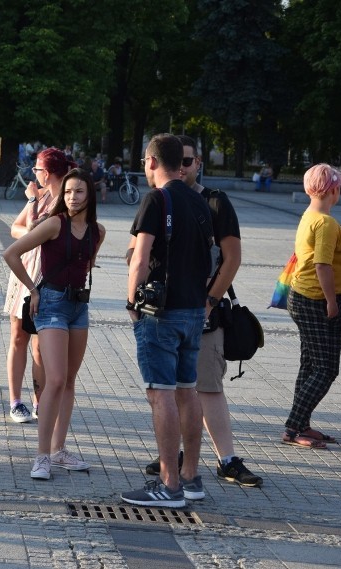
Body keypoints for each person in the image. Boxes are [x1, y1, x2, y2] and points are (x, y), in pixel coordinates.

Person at [139, 136, 263, 487]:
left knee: (203, 386)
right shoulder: (164, 201)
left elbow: (232, 258)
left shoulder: (213, 202)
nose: (183, 167)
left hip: (202, 310)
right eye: (179, 161)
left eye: (189, 162)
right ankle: (179, 457)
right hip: (171, 309)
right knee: (179, 387)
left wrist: (209, 301)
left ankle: (227, 459)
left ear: (198, 164)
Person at [122, 133, 213, 508]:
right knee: (187, 392)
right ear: (183, 163)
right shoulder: (199, 201)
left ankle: (169, 484)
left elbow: (140, 259)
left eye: (145, 163)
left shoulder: (156, 200)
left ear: (152, 162)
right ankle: (190, 477)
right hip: (194, 311)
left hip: (160, 314)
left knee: (160, 394)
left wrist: (131, 302)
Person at [3, 168, 105, 479]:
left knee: (70, 381)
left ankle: (59, 451)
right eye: (69, 191)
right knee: (56, 379)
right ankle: (42, 456)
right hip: (51, 304)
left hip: (79, 308)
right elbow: (11, 253)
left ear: (90, 197)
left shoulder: (97, 231)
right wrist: (33, 290)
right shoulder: (53, 224)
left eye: (80, 192)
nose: (73, 197)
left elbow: (87, 264)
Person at [282, 164, 341, 448]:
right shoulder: (324, 222)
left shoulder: (310, 215)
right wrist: (332, 302)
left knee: (311, 365)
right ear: (334, 189)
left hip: (308, 299)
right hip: (317, 302)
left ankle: (302, 424)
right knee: (325, 369)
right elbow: (322, 264)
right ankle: (293, 428)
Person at [3, 148, 69, 423]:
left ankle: (40, 401)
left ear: (49, 172)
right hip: (25, 272)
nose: (34, 175)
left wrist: (31, 201)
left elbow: (33, 228)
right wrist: (32, 208)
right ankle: (16, 401)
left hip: (47, 276)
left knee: (41, 344)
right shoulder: (39, 197)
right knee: (19, 336)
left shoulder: (63, 201)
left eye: (38, 170)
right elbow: (17, 228)